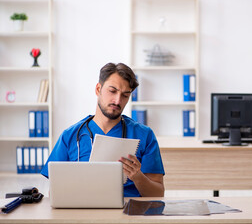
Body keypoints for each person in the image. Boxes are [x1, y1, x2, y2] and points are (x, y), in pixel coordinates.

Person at [41, 62, 165, 197]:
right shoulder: (70, 136)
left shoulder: (144, 135)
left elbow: (158, 193)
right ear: (98, 89)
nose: (117, 101)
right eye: (112, 91)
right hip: (83, 213)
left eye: (125, 95)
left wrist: (138, 177)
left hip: (129, 214)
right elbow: (54, 192)